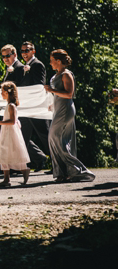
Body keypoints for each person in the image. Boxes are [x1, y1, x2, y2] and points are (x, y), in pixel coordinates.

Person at [44, 50, 95, 183]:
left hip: (65, 110)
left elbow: (69, 94)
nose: (50, 63)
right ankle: (63, 173)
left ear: (58, 61)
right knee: (59, 140)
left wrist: (51, 90)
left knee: (54, 137)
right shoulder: (57, 74)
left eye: (51, 60)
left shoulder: (66, 75)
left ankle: (78, 170)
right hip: (58, 109)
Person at [0, 81, 30, 187]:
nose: (1, 93)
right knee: (4, 152)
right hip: (6, 131)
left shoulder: (11, 106)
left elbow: (12, 121)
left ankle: (24, 171)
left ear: (7, 92)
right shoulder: (8, 105)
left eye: (2, 91)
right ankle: (6, 179)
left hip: (11, 133)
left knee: (11, 152)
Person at [0, 44, 25, 173]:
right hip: (8, 103)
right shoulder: (9, 68)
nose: (5, 59)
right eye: (3, 56)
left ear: (14, 55)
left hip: (14, 105)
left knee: (14, 137)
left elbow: (19, 87)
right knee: (9, 137)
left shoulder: (19, 68)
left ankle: (13, 166)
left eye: (8, 56)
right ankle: (5, 166)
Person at [18, 41, 50, 171]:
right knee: (21, 136)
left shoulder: (37, 65)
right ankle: (37, 159)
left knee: (45, 135)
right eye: (23, 51)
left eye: (27, 50)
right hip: (26, 108)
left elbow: (39, 85)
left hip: (36, 107)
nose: (24, 53)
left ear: (33, 51)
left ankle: (58, 163)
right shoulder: (25, 66)